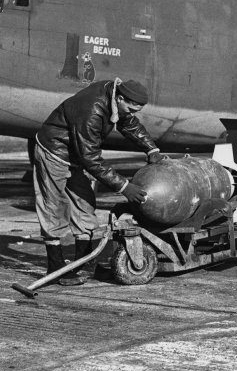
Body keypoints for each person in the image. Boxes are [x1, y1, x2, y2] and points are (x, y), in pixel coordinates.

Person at [33, 78, 164, 286]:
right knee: (54, 206)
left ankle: (82, 263)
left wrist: (152, 149)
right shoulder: (93, 110)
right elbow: (91, 159)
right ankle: (55, 266)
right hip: (55, 151)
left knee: (84, 203)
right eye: (130, 108)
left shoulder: (116, 99)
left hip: (76, 153)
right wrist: (124, 186)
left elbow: (129, 124)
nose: (131, 113)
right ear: (120, 99)